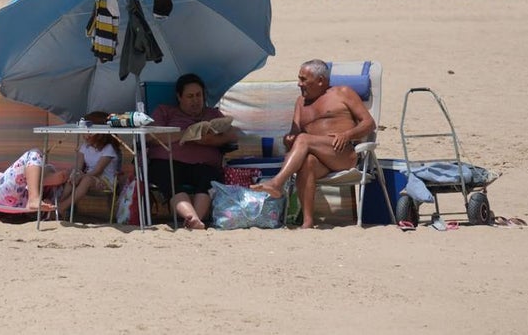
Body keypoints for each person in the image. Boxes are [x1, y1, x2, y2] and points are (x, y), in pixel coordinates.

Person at [250, 59, 375, 228]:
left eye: (303, 80)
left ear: (321, 81)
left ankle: (277, 183)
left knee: (304, 139)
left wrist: (347, 135)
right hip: (317, 158)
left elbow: (369, 123)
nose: (299, 84)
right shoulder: (300, 103)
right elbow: (294, 136)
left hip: (342, 154)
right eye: (299, 79)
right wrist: (289, 140)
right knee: (307, 160)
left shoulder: (342, 93)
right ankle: (308, 223)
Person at [147, 73, 238, 229]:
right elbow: (150, 136)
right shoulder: (165, 111)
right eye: (190, 96)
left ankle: (195, 220)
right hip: (168, 162)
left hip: (204, 165)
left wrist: (211, 140)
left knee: (210, 177)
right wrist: (186, 134)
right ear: (179, 97)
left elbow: (233, 134)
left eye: (199, 95)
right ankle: (193, 218)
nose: (196, 100)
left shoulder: (212, 114)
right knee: (169, 178)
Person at [0, 148, 67, 212]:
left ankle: (40, 186)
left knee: (43, 168)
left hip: (14, 195)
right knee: (34, 153)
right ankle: (36, 193)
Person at [56, 115, 120, 216]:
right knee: (72, 174)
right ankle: (59, 204)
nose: (86, 135)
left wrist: (81, 176)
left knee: (86, 179)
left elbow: (98, 170)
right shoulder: (85, 147)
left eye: (89, 132)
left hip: (105, 180)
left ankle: (63, 207)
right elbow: (78, 166)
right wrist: (76, 173)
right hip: (88, 176)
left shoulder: (108, 148)